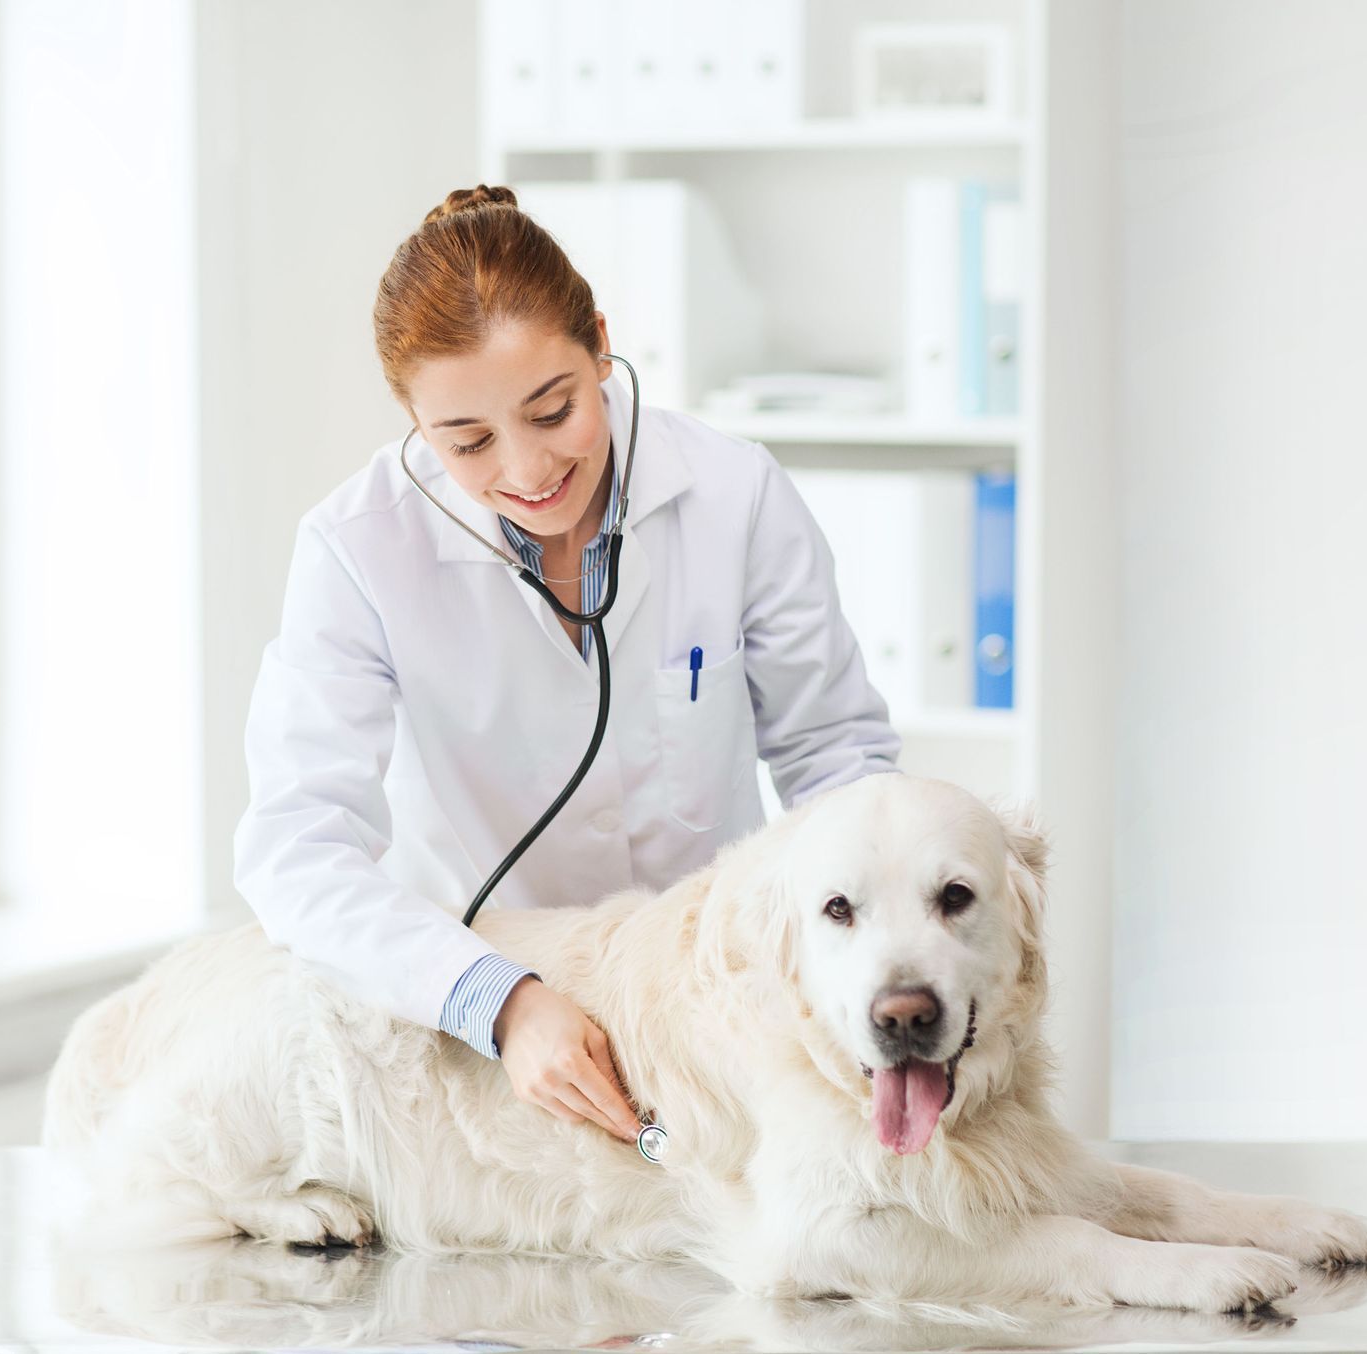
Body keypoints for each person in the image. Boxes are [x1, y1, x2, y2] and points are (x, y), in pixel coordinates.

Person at [234, 183, 903, 1146]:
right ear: (414, 423)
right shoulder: (355, 548)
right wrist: (493, 998)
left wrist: (873, 959)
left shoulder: (733, 493)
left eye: (555, 409)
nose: (527, 469)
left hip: (713, 999)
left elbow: (837, 758)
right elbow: (295, 847)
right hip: (480, 1025)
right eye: (465, 441)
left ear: (598, 341)